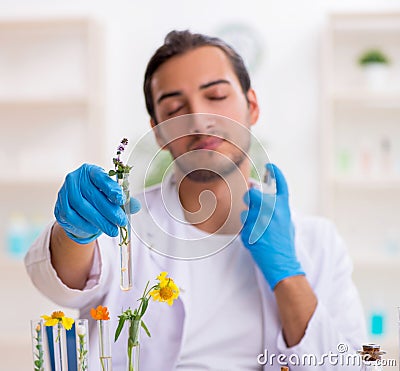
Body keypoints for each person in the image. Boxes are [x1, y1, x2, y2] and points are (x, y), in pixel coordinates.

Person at [25, 30, 366, 370]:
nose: (199, 119)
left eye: (216, 95)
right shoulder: (125, 222)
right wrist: (73, 231)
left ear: (253, 106)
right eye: (175, 107)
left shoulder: (318, 242)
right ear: (158, 131)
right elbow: (63, 283)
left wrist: (288, 275)